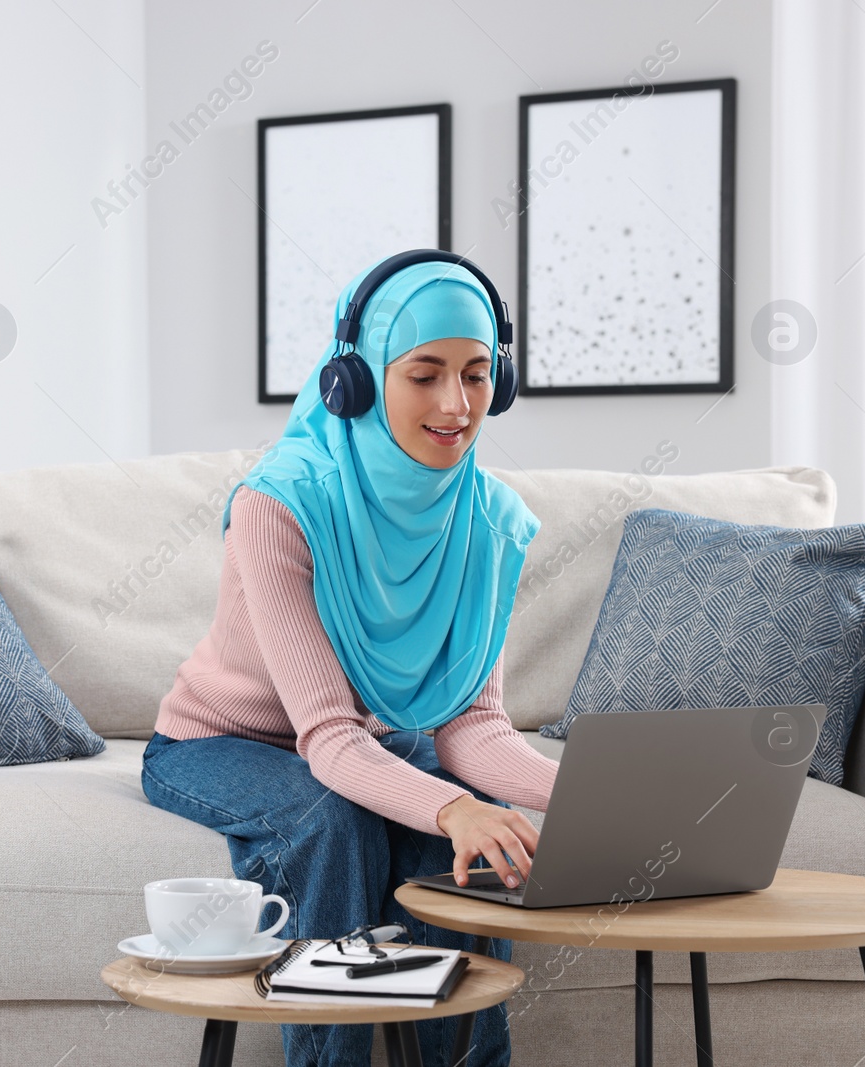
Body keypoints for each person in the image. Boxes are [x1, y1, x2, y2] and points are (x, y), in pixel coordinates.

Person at [141, 254, 560, 1067]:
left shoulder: (490, 519)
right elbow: (329, 740)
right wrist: (451, 805)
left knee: (463, 844)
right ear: (356, 380)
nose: (455, 404)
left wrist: (599, 799)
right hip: (220, 743)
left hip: (368, 745)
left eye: (477, 375)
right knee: (334, 818)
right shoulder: (281, 504)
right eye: (425, 373)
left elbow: (472, 727)